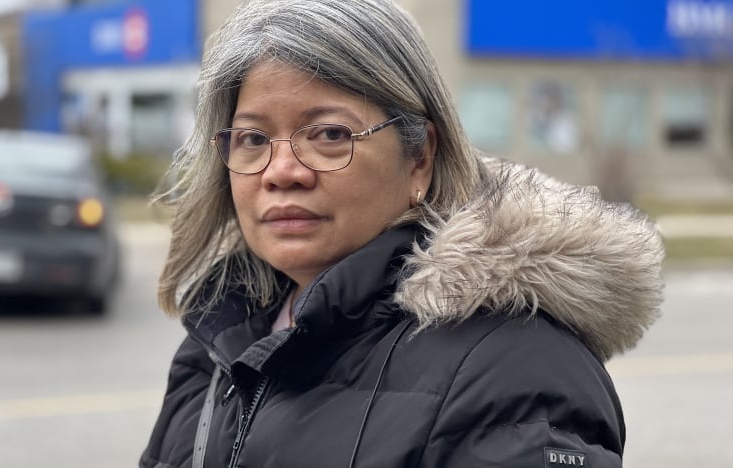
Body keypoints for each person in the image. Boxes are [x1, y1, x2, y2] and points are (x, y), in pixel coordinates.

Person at [140, 0, 665, 467]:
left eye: (329, 134)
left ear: (420, 158)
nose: (282, 171)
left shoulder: (515, 371)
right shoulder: (216, 342)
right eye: (253, 138)